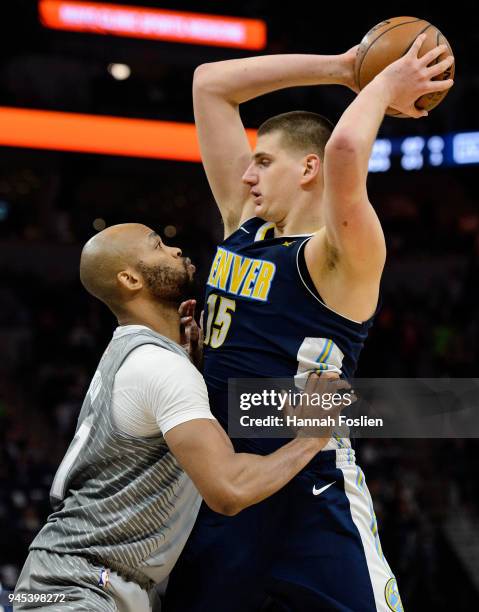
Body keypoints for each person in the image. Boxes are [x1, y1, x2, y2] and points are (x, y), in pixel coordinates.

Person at [164, 35, 454, 611]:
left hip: (311, 484)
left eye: (264, 162)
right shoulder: (243, 222)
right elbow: (210, 84)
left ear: (308, 168)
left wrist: (381, 85)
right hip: (224, 481)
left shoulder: (341, 254)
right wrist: (344, 67)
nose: (247, 176)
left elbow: (347, 149)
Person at [12, 223, 336, 611]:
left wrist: (190, 364)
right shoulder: (159, 366)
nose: (176, 249)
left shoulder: (136, 354)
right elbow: (228, 490)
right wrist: (311, 438)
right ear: (130, 279)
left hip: (65, 578)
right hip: (81, 586)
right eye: (158, 246)